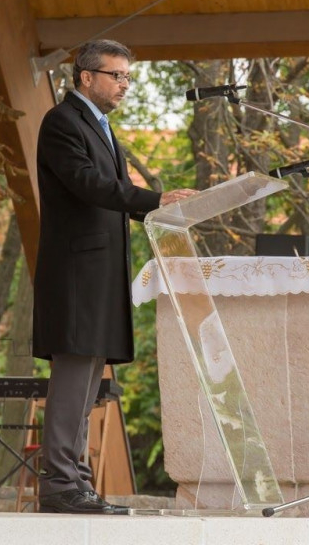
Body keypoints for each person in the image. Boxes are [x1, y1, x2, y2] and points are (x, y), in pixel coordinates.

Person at [32, 39, 196, 514]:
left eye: (127, 77)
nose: (125, 85)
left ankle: (75, 483)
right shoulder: (62, 122)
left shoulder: (100, 126)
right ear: (86, 77)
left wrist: (158, 210)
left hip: (98, 271)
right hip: (76, 272)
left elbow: (110, 191)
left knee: (88, 381)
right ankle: (60, 484)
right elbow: (88, 183)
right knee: (73, 376)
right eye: (117, 75)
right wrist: (154, 200)